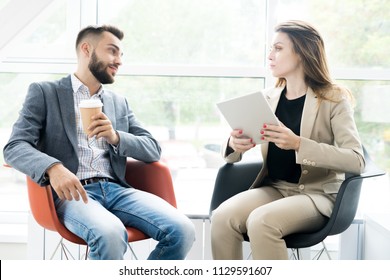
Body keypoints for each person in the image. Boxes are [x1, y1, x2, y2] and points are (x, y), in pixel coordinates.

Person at [3, 25, 195, 260]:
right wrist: (53, 168)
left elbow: (153, 149)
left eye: (121, 55)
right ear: (86, 49)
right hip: (73, 194)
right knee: (110, 234)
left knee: (183, 230)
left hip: (117, 190)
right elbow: (14, 146)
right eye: (113, 51)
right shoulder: (45, 93)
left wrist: (115, 137)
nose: (119, 61)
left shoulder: (118, 103)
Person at [210, 20, 365, 260]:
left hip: (316, 195)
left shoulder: (334, 99)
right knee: (222, 217)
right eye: (271, 48)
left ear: (302, 53)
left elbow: (356, 160)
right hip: (275, 188)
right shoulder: (267, 98)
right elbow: (233, 149)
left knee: (262, 222)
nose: (270, 55)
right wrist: (234, 144)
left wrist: (298, 144)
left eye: (278, 48)